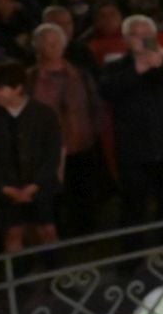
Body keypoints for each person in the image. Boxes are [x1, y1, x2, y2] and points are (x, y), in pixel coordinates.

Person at [98, 15, 163, 240]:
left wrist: (162, 64)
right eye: (135, 34)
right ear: (125, 39)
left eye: (146, 34)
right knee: (134, 205)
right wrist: (139, 68)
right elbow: (107, 91)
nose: (142, 39)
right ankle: (132, 258)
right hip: (134, 152)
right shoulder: (116, 67)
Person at [0, 63, 63, 255]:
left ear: (18, 88)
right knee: (13, 234)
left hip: (40, 185)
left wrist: (35, 184)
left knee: (47, 231)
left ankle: (56, 277)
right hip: (4, 190)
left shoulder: (44, 115)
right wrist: (4, 187)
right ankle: (19, 280)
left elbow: (52, 154)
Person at [29, 24, 109, 240]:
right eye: (45, 43)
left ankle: (86, 237)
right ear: (36, 46)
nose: (50, 47)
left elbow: (96, 104)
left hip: (82, 144)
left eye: (55, 42)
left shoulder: (80, 75)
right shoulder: (29, 79)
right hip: (47, 150)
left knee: (84, 195)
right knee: (53, 199)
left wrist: (94, 130)